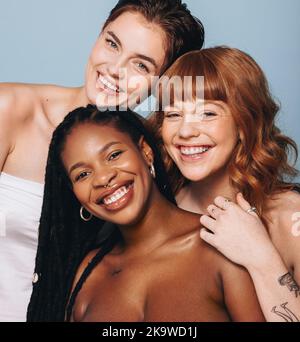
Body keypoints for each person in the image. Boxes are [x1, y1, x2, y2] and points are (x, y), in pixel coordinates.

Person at [0, 0, 205, 321]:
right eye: (112, 43)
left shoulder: (151, 159)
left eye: (141, 64)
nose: (115, 69)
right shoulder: (9, 110)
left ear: (162, 82)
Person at [27, 105, 264, 322]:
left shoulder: (220, 244)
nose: (102, 178)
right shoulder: (86, 275)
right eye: (82, 175)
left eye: (113, 155)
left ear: (146, 151)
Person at [149, 46, 300, 322]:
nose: (185, 131)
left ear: (245, 124)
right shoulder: (159, 208)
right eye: (172, 114)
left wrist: (260, 255)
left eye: (207, 113)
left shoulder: (290, 217)